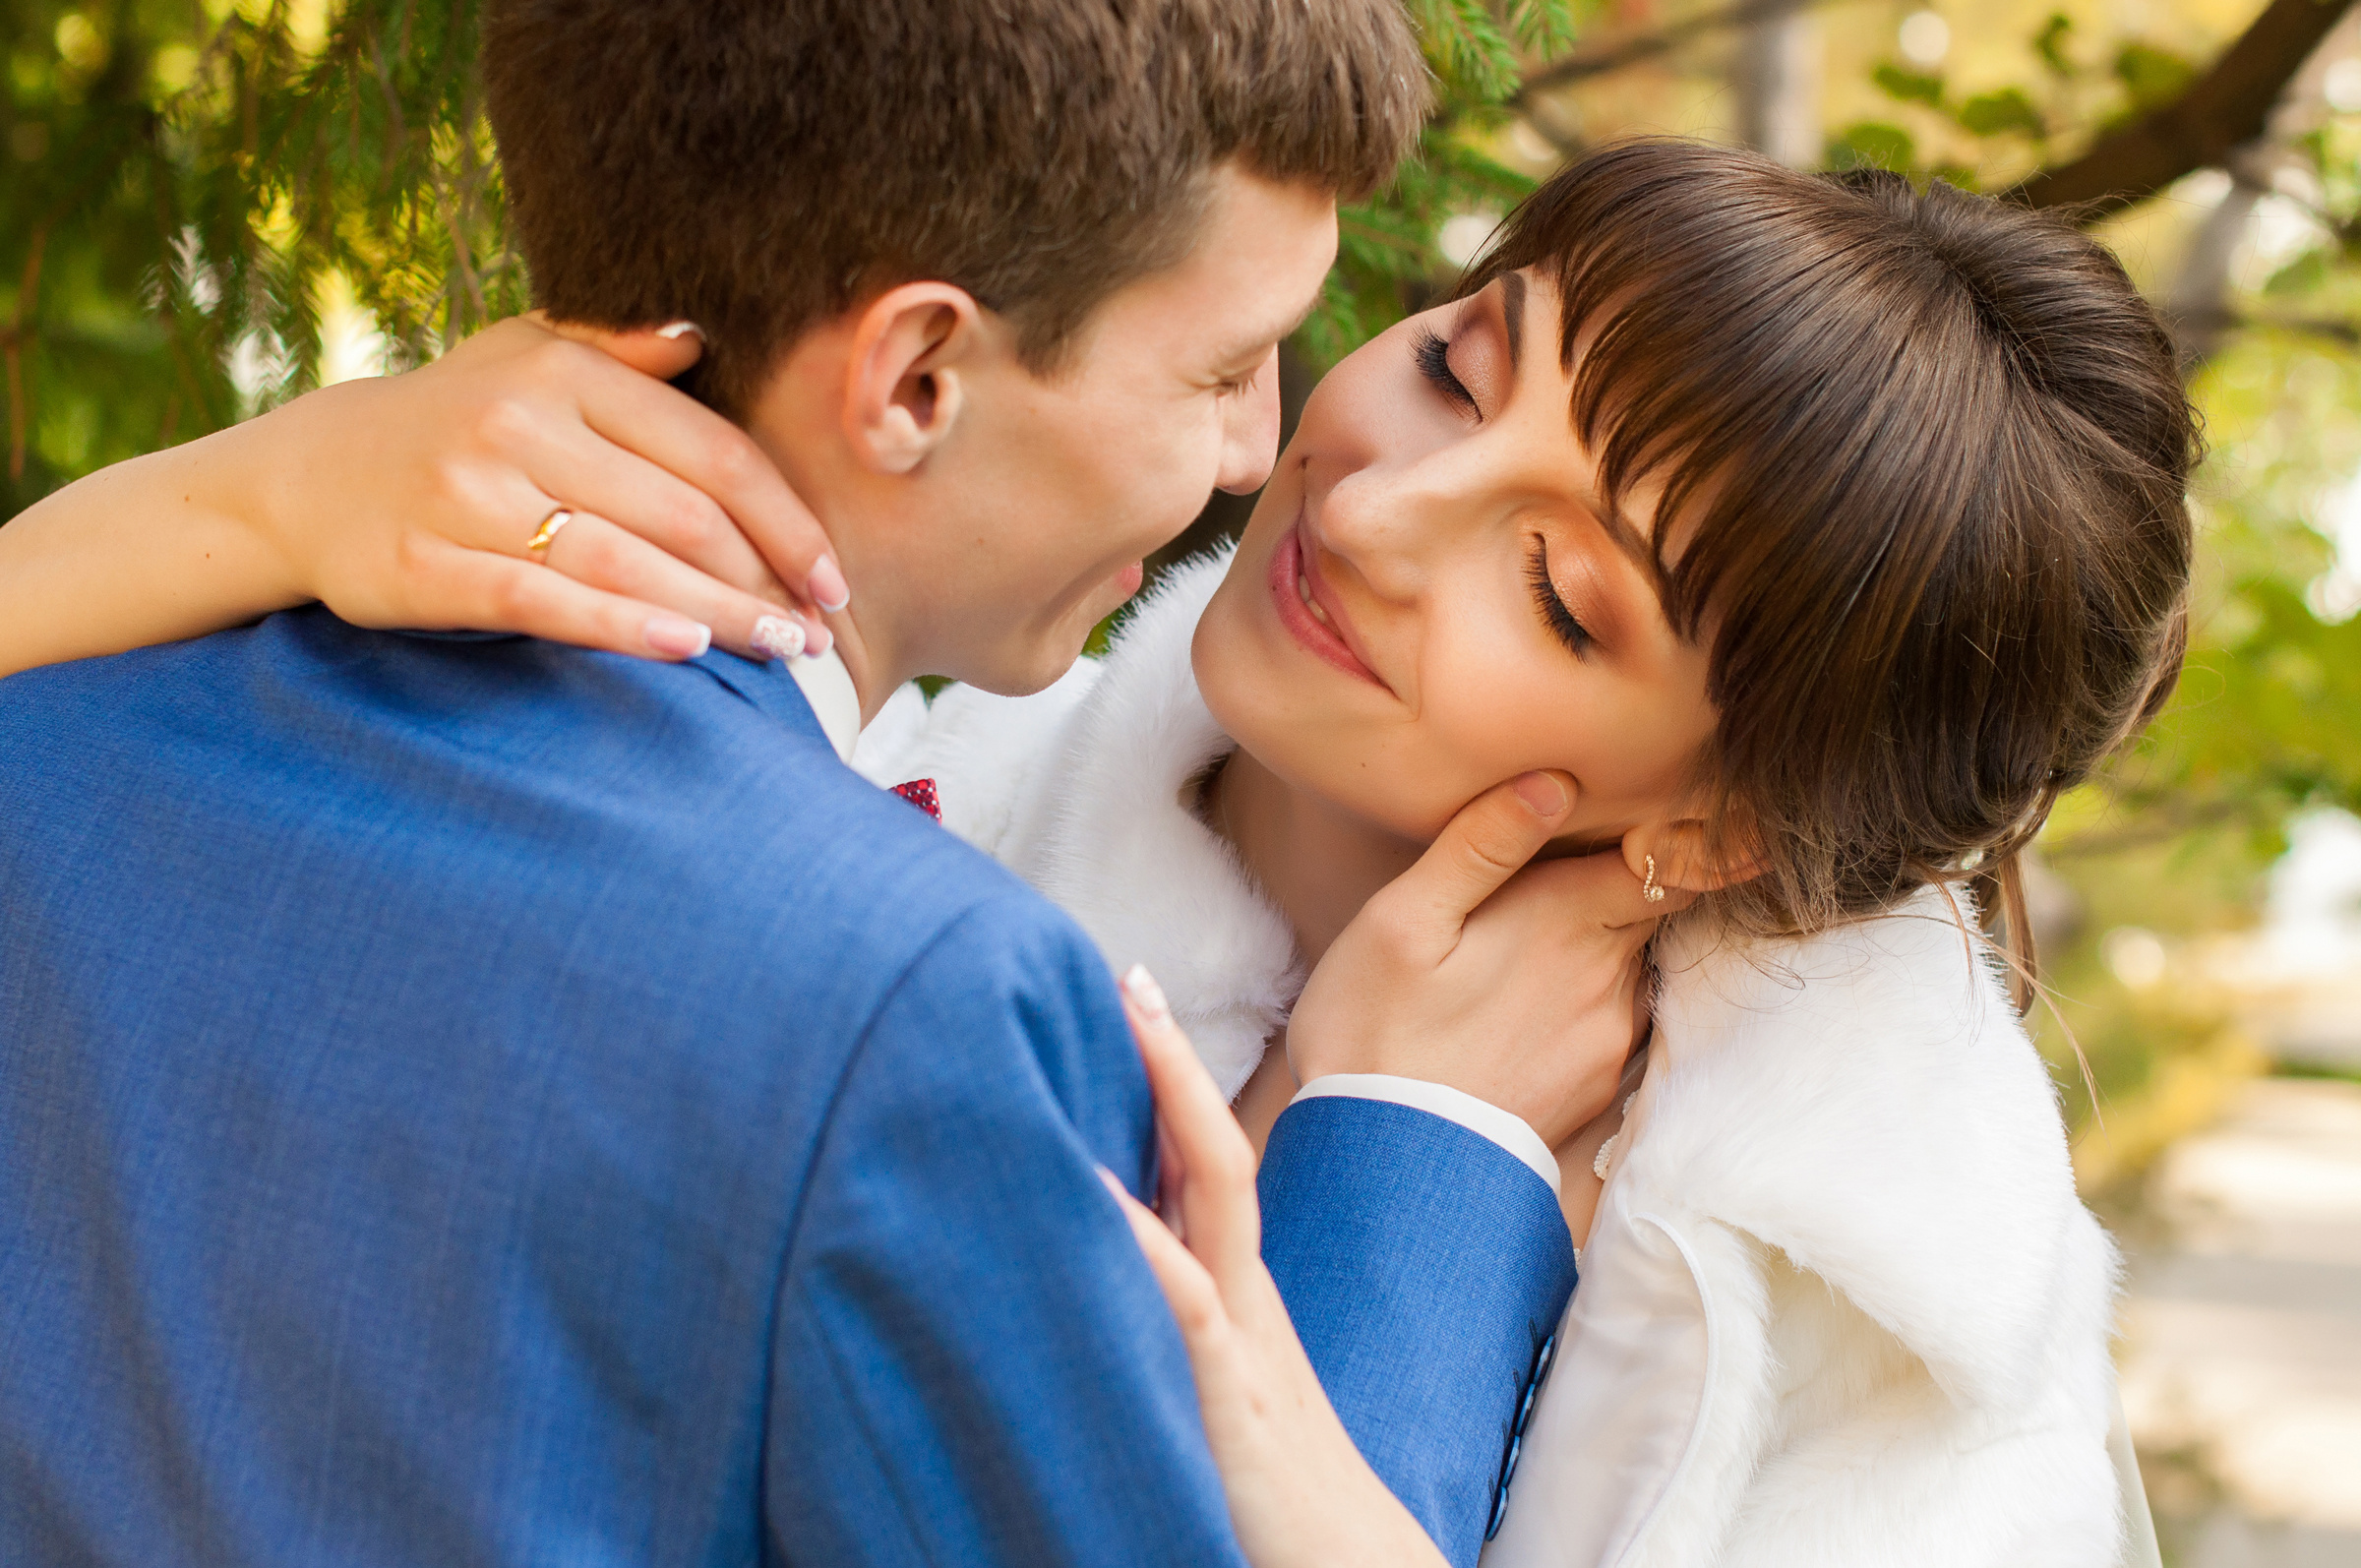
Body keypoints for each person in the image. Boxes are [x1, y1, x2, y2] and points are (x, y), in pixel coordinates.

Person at [7, 138, 2197, 1566]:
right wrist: (279, 491)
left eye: (1561, 591)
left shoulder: (1865, 1275)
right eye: (1454, 365)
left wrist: (1383, 1212)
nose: (1363, 499)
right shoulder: (955, 755)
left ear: (1714, 811)